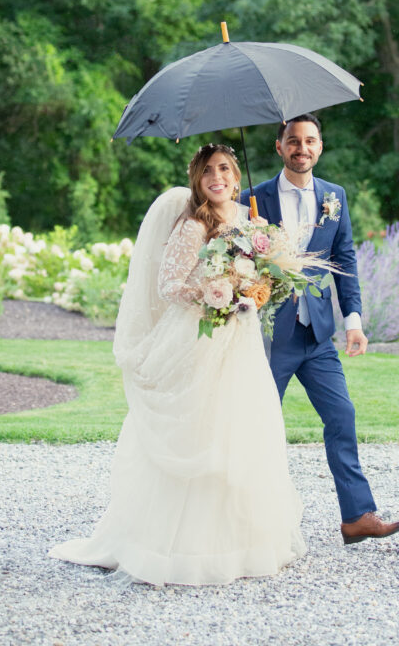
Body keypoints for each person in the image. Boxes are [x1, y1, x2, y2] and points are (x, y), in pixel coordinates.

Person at [49, 144, 306, 585]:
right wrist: (218, 293)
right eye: (208, 171)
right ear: (196, 179)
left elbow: (263, 277)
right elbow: (170, 285)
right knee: (200, 429)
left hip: (239, 342)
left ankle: (243, 542)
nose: (217, 177)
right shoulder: (192, 224)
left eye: (225, 169)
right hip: (200, 340)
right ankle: (180, 547)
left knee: (240, 429)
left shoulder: (251, 222)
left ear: (237, 176)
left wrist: (256, 285)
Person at [241, 114, 399, 545]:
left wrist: (353, 321)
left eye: (310, 140)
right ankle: (247, 520)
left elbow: (345, 261)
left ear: (320, 146)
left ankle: (357, 516)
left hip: (317, 334)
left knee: (341, 416)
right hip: (268, 336)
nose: (302, 148)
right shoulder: (252, 199)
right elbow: (237, 262)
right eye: (293, 140)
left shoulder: (335, 196)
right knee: (256, 424)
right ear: (279, 146)